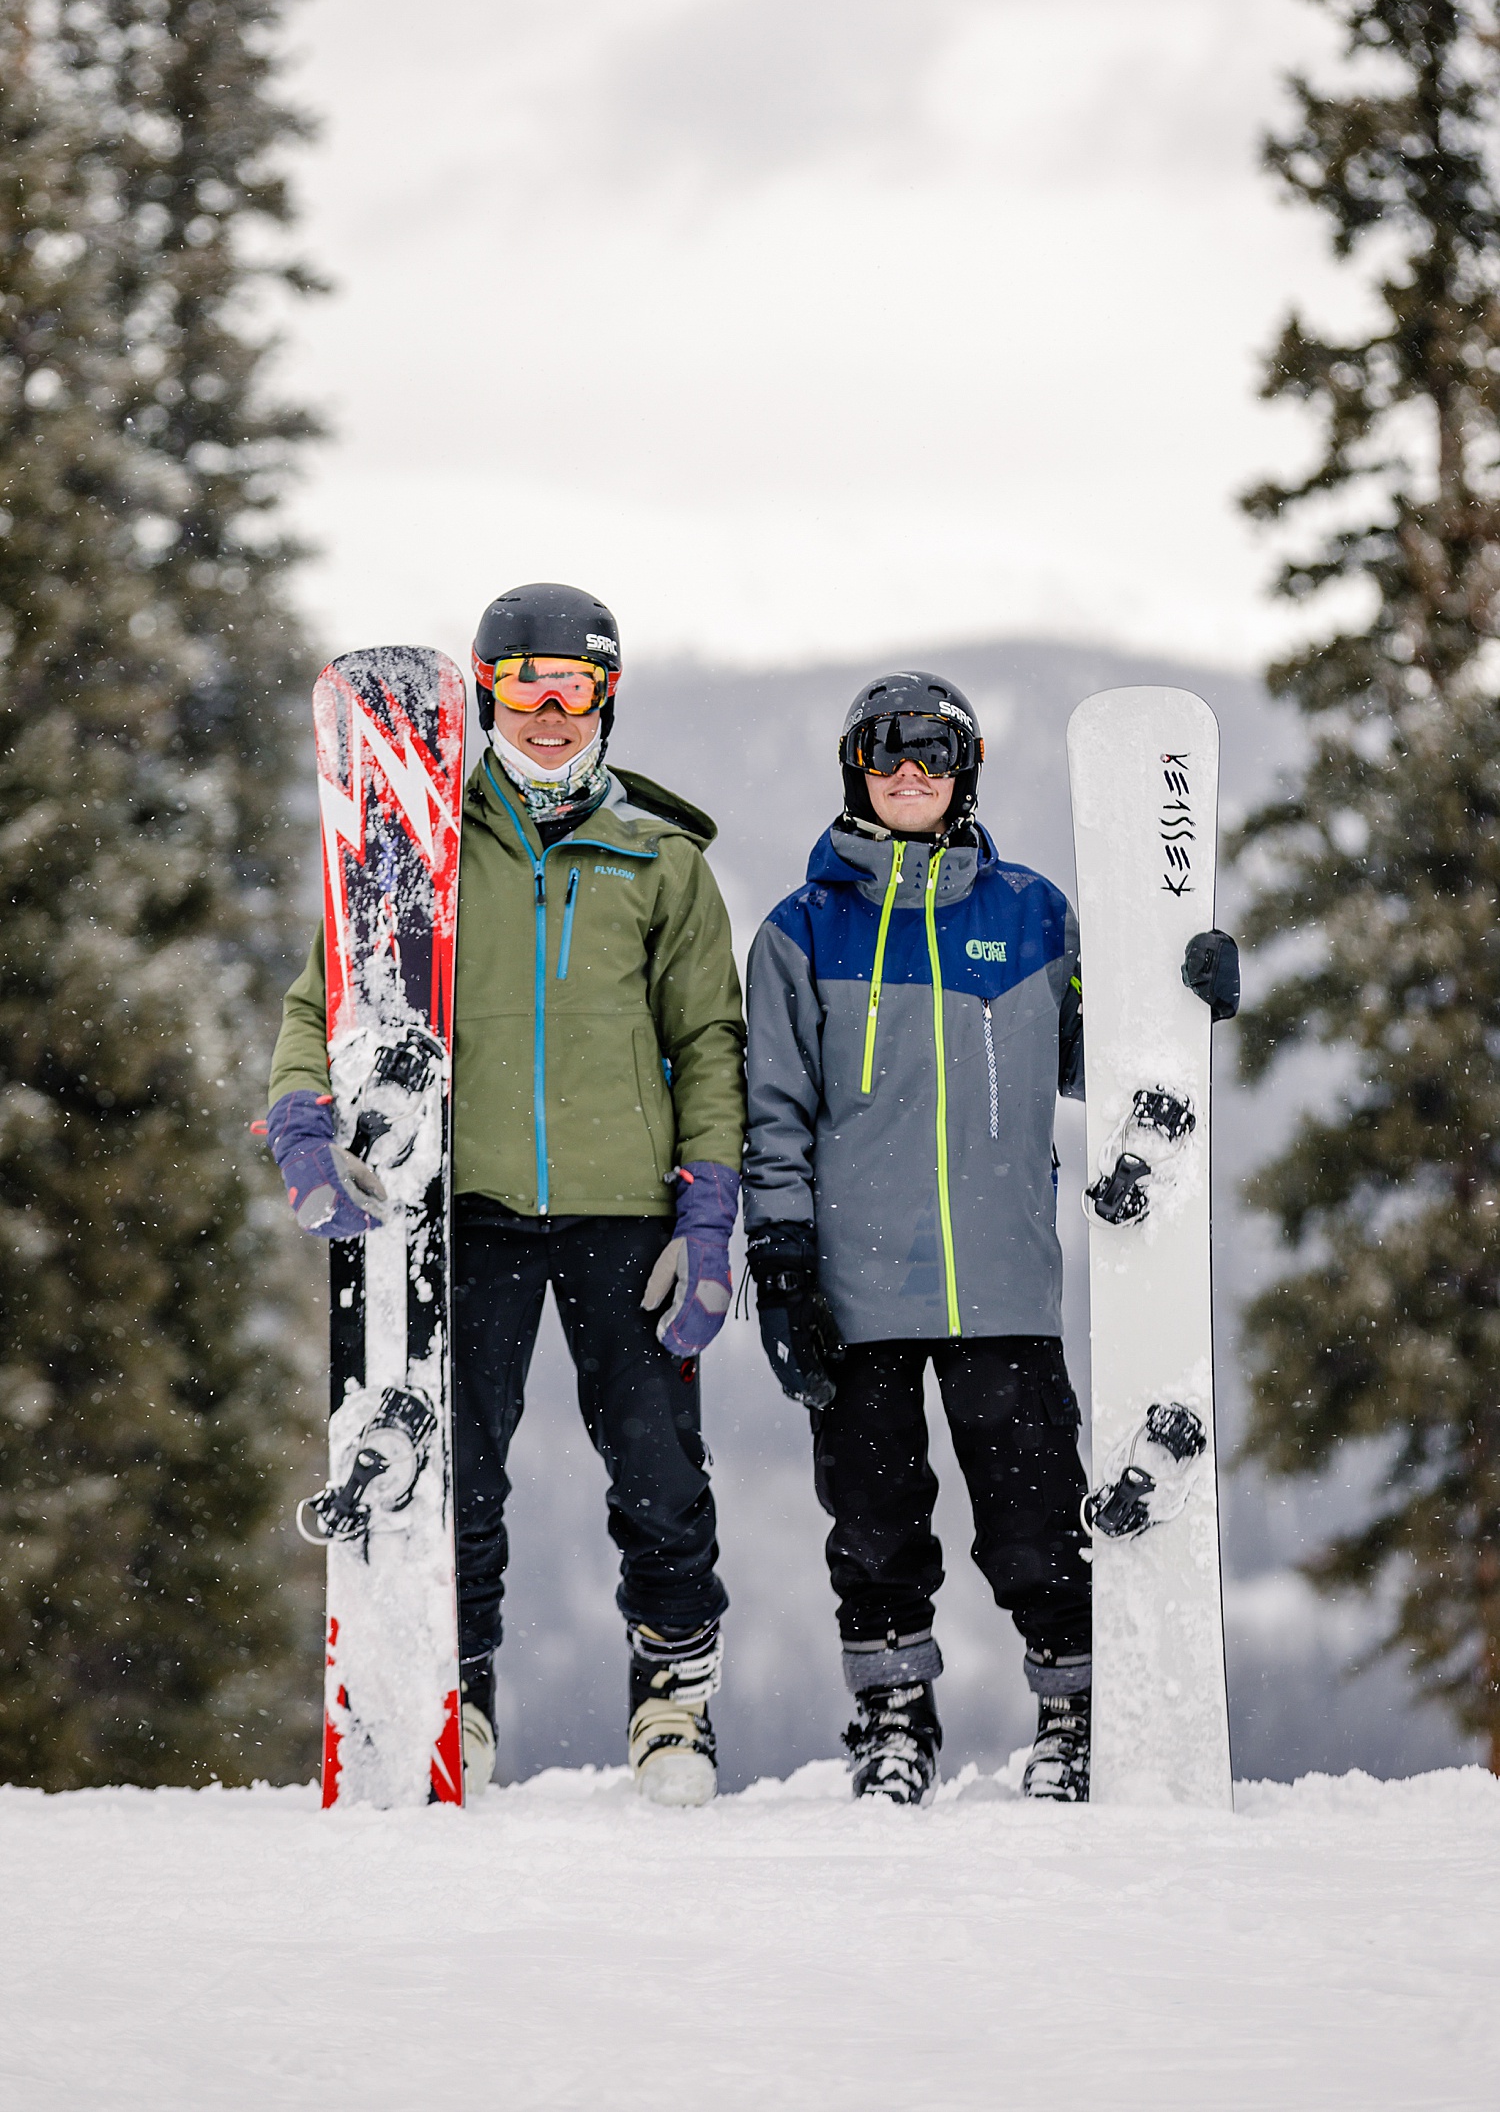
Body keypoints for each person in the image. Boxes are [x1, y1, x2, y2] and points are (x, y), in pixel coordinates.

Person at [266, 584, 746, 1806]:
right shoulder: (413, 842)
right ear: (484, 694)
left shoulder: (662, 860)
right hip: (459, 1210)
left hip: (622, 1212)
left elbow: (710, 1044)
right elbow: (321, 1002)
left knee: (656, 1466)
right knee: (458, 1474)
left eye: (572, 685)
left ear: (606, 700)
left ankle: (674, 1701)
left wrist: (707, 1217)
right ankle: (456, 1692)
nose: (546, 708)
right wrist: (302, 1119)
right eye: (522, 681)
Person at [742, 670, 1238, 1804]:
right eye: (885, 753)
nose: (909, 774)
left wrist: (1187, 991)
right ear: (854, 771)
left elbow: (1103, 1057)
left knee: (1034, 1526)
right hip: (853, 1291)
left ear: (965, 770)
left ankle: (1075, 1711)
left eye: (934, 752)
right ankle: (893, 1720)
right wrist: (780, 1267)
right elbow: (772, 1112)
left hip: (1003, 1288)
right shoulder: (799, 931)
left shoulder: (1029, 914)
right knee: (872, 1532)